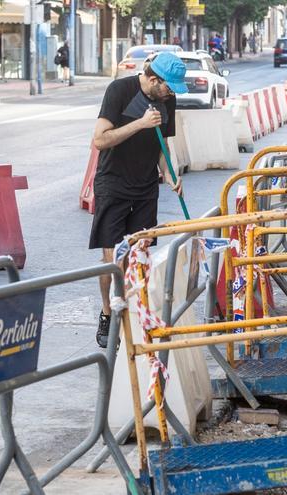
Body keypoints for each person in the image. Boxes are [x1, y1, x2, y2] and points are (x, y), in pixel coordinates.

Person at [89, 52, 187, 347]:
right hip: (114, 183)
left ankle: (133, 312)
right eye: (168, 86)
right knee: (113, 258)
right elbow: (100, 139)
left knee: (137, 256)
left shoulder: (167, 99)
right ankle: (109, 312)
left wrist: (169, 173)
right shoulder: (119, 91)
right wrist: (139, 123)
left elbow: (162, 143)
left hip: (146, 187)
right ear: (154, 79)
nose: (171, 93)